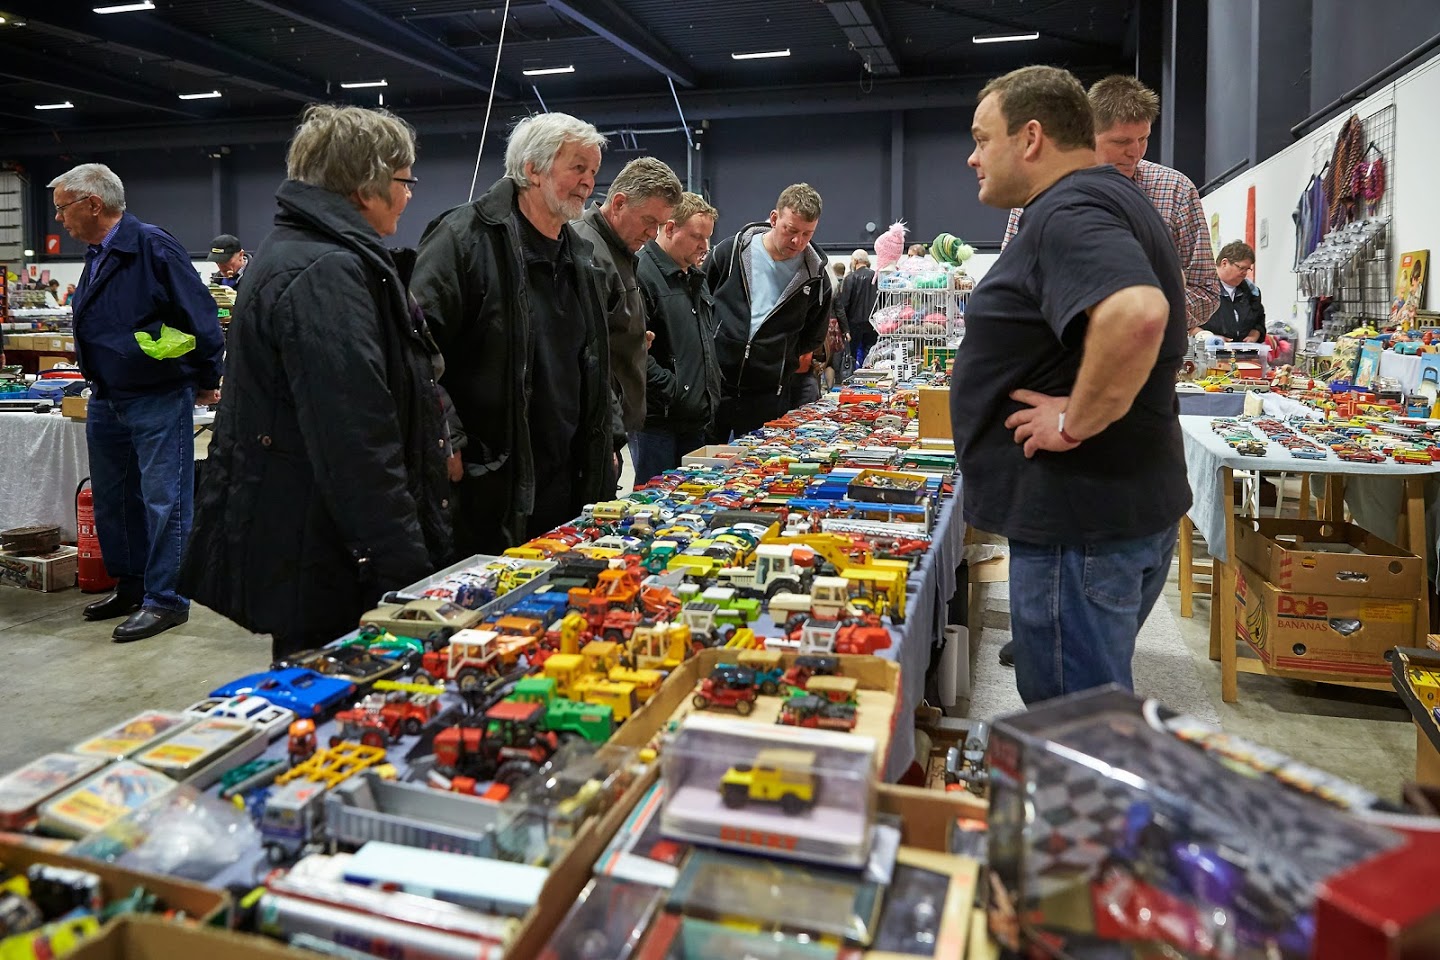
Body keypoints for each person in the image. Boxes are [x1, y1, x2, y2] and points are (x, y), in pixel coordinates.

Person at [952, 65, 1190, 706]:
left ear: (1031, 137)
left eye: (982, 139)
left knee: (1075, 729)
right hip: (1114, 509)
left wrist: (1072, 421)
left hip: (1080, 523)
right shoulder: (1111, 195)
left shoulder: (1067, 210)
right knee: (1095, 709)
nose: (973, 157)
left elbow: (1137, 312)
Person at [183, 105, 450, 660]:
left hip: (314, 537)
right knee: (332, 686)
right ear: (365, 186)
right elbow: (355, 438)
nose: (408, 195)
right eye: (404, 181)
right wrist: (406, 571)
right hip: (324, 553)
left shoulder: (311, 252)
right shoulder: (324, 270)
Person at [411, 112, 617, 554]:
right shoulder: (462, 239)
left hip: (567, 482)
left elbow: (595, 360)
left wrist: (610, 438)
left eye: (593, 171)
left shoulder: (581, 258)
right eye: (578, 167)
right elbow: (416, 350)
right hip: (491, 484)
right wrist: (448, 437)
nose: (589, 182)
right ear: (532, 169)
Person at [50, 163, 224, 642]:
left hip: (157, 394)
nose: (59, 219)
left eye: (63, 208)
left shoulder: (150, 245)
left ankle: (167, 600)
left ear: (93, 204)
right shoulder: (98, 253)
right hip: (107, 395)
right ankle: (133, 586)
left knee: (165, 501)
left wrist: (207, 376)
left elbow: (200, 314)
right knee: (116, 499)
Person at [1002, 74, 1219, 332]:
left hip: (1149, 350)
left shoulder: (1176, 190)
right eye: (1121, 142)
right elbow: (1010, 286)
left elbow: (1206, 292)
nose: (1135, 152)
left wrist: (1144, 313)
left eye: (1143, 139)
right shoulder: (1038, 191)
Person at [705, 183, 832, 442]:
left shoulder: (817, 279)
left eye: (807, 234)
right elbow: (701, 303)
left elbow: (813, 336)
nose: (798, 241)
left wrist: (778, 356)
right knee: (700, 461)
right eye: (791, 230)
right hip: (715, 387)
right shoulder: (730, 253)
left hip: (768, 395)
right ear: (774, 219)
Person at [570, 157, 683, 442]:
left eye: (660, 224)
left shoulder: (618, 250)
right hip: (595, 425)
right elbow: (579, 354)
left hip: (612, 419)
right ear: (619, 203)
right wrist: (606, 432)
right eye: (649, 221)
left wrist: (632, 336)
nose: (653, 234)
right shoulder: (587, 251)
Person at [632, 192, 721, 485]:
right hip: (657, 423)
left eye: (707, 237)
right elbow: (633, 352)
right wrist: (675, 391)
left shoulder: (695, 277)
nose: (704, 246)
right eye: (697, 236)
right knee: (653, 500)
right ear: (670, 228)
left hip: (694, 419)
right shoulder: (640, 274)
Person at [1202, 241, 1265, 342]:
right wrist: (1209, 338)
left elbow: (1259, 320)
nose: (1245, 273)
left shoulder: (1251, 291)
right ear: (1224, 263)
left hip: (1243, 349)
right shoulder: (1201, 289)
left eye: (1247, 269)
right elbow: (1188, 324)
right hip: (1208, 349)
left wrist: (1255, 334)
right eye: (1241, 268)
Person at [836, 248, 878, 367]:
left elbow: (844, 303)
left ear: (855, 261)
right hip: (873, 322)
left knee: (852, 354)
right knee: (870, 352)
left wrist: (844, 327)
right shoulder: (876, 276)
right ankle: (869, 372)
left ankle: (852, 374)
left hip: (854, 322)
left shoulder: (850, 278)